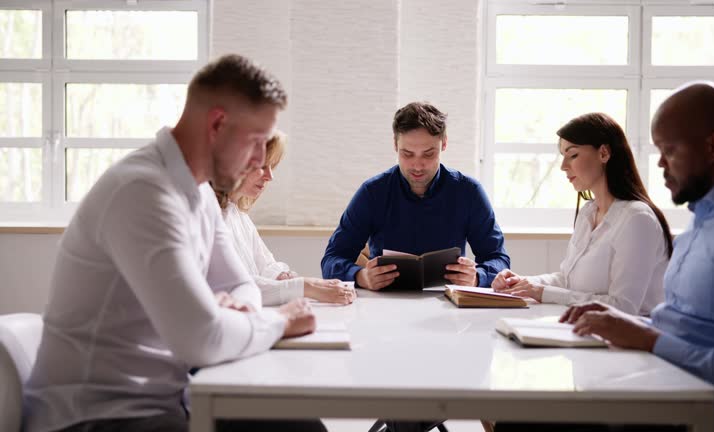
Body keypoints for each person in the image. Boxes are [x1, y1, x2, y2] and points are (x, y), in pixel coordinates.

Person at [24, 55, 325, 432]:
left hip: (167, 401)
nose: (260, 161)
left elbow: (238, 285)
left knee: (296, 423)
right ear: (217, 124)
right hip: (97, 418)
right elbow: (202, 339)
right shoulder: (142, 191)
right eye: (257, 142)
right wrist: (278, 321)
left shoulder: (199, 192)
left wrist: (234, 314)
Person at [505, 82, 714, 431]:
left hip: (692, 405)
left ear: (713, 146)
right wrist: (627, 325)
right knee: (519, 406)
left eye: (669, 150)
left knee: (522, 418)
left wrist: (647, 337)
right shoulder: (709, 214)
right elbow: (684, 324)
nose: (659, 163)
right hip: (659, 375)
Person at [492, 113, 672, 315]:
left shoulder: (637, 219)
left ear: (604, 153)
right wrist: (523, 283)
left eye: (573, 155)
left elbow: (623, 306)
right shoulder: (588, 212)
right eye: (563, 156)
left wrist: (542, 292)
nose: (563, 166)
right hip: (589, 330)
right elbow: (568, 280)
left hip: (629, 339)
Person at [321, 102, 509, 290]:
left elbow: (499, 259)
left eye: (428, 154)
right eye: (407, 154)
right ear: (395, 145)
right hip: (383, 306)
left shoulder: (469, 192)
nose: (417, 166)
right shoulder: (373, 192)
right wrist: (361, 276)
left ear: (443, 143)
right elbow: (331, 259)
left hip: (449, 306)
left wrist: (476, 277)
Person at [215, 131, 356, 306]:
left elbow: (265, 266)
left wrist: (289, 278)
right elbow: (237, 286)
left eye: (272, 167)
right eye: (263, 166)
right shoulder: (211, 218)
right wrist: (307, 286)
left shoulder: (238, 216)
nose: (269, 176)